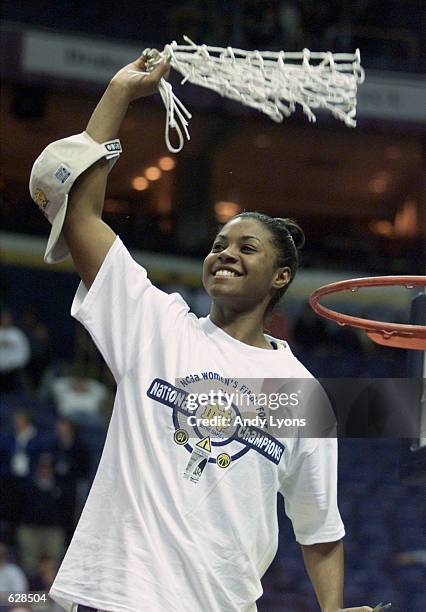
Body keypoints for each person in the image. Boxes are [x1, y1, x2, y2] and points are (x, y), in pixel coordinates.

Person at [30, 53, 376, 612]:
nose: (225, 254)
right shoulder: (154, 324)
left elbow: (320, 531)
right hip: (114, 595)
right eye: (218, 245)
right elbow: (80, 216)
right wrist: (118, 93)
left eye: (246, 248)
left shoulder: (298, 391)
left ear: (280, 276)